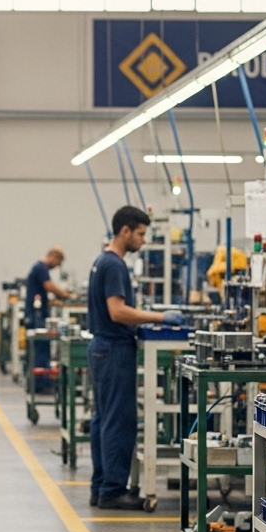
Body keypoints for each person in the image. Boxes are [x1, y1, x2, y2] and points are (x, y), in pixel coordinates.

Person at [86, 206, 171, 511]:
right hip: (113, 349)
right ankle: (112, 490)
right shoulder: (114, 265)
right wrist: (161, 316)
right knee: (118, 421)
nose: (143, 240)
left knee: (103, 420)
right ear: (125, 231)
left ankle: (101, 487)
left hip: (103, 348)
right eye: (140, 233)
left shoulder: (102, 261)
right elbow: (117, 311)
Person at [24, 247, 72, 390]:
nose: (56, 266)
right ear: (54, 256)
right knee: (41, 348)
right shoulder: (41, 268)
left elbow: (42, 293)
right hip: (36, 315)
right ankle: (40, 383)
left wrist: (53, 301)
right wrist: (65, 295)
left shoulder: (38, 268)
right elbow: (49, 286)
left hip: (35, 313)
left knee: (40, 348)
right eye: (58, 262)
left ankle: (40, 381)